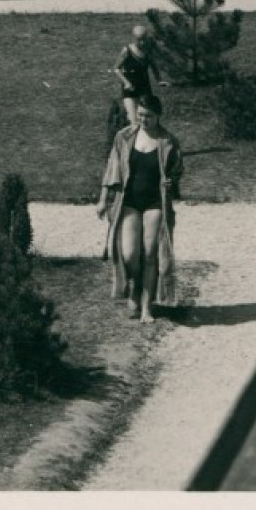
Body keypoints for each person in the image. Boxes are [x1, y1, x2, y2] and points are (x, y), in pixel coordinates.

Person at [96, 94, 182, 323]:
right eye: (140, 115)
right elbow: (112, 168)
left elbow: (177, 170)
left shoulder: (168, 141)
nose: (143, 120)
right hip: (130, 201)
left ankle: (146, 306)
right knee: (130, 253)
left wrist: (171, 181)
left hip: (156, 202)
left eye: (149, 116)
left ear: (158, 116)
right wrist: (104, 199)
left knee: (150, 252)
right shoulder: (124, 137)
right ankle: (135, 285)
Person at [113, 25, 168, 120]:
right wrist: (126, 83)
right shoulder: (127, 50)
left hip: (144, 89)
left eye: (144, 39)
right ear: (134, 38)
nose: (142, 42)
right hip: (130, 90)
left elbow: (154, 67)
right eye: (139, 40)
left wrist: (159, 80)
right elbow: (116, 69)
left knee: (146, 118)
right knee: (133, 119)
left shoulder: (148, 51)